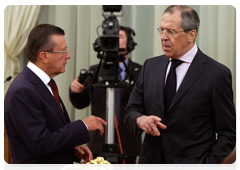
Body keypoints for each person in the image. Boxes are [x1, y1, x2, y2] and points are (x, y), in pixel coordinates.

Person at [123, 5, 237, 170]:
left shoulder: (217, 74)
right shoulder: (150, 66)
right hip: (150, 164)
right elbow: (130, 111)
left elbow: (228, 134)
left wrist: (208, 166)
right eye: (161, 30)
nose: (163, 37)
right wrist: (140, 120)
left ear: (191, 35)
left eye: (171, 31)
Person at [4, 24, 107, 170]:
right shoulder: (23, 90)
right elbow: (41, 143)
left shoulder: (43, 83)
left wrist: (71, 148)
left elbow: (50, 131)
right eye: (63, 51)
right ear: (44, 56)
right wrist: (83, 125)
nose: (68, 56)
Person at [69, 26, 142, 170]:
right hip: (98, 142)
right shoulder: (95, 71)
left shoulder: (140, 71)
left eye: (119, 36)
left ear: (129, 43)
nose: (114, 40)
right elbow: (81, 102)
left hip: (128, 144)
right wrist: (75, 91)